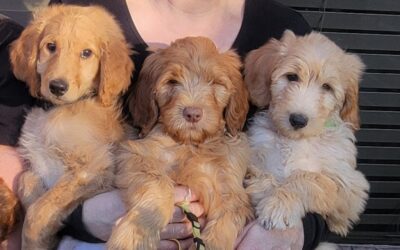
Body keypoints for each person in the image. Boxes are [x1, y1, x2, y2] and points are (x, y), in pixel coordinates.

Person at [0, 0, 329, 249]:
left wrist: (293, 233)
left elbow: (332, 169)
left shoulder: (284, 30)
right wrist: (85, 216)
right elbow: (18, 158)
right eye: (171, 84)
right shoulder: (87, 14)